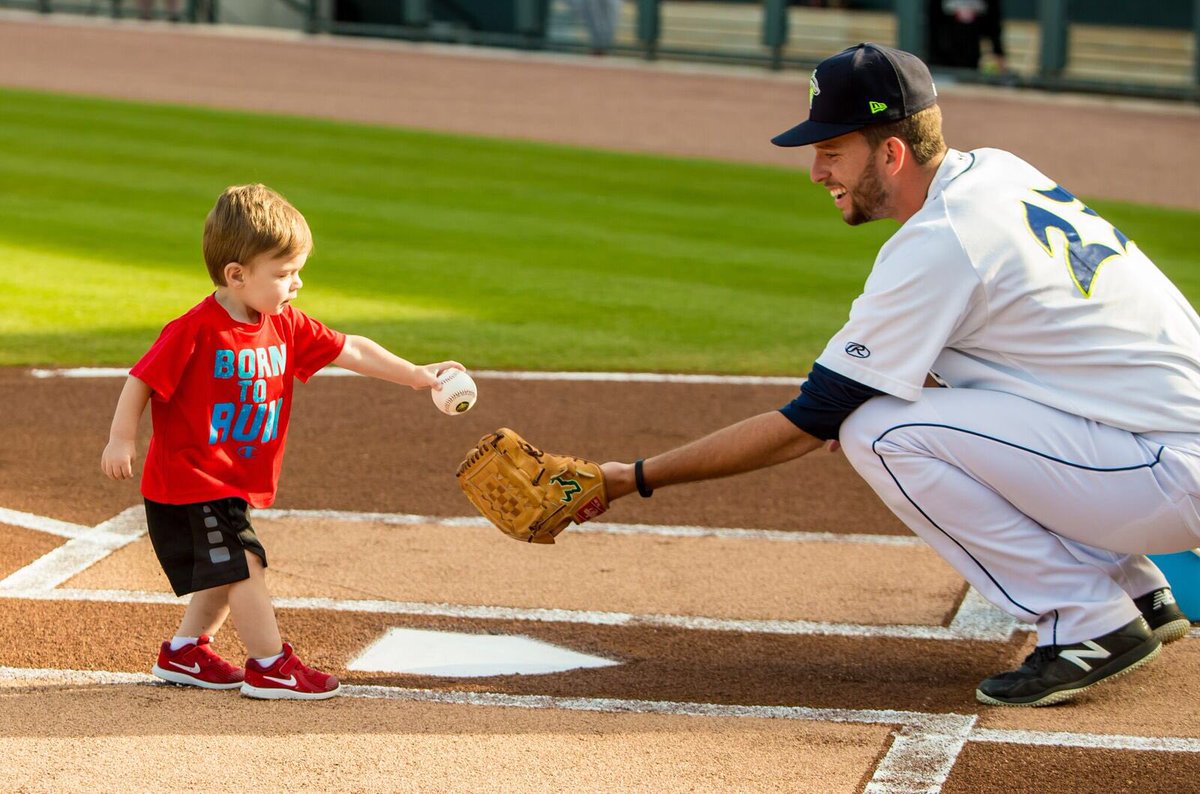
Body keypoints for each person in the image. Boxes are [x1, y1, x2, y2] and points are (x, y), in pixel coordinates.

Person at [597, 43, 1199, 707]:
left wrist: (630, 478)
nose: (816, 171)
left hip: (1166, 474)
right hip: (1158, 451)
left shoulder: (942, 239)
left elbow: (807, 423)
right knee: (926, 398)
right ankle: (1139, 591)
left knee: (880, 432)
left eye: (833, 151)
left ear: (891, 153)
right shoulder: (998, 173)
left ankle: (1089, 621)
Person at [101, 184, 462, 700]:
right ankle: (270, 664)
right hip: (190, 479)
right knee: (244, 563)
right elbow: (141, 378)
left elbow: (350, 348)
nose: (296, 283)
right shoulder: (195, 330)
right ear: (236, 275)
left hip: (228, 480)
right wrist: (120, 439)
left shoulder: (283, 323)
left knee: (224, 569)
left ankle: (186, 653)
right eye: (284, 273)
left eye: (297, 271)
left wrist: (415, 375)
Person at [927, 0, 1006, 73]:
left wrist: (998, 52)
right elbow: (932, 24)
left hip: (973, 55)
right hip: (943, 56)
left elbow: (994, 24)